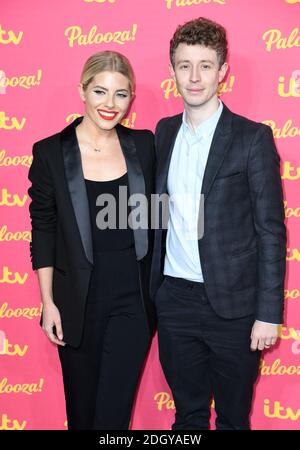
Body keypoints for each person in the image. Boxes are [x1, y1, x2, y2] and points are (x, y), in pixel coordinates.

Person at [150, 17, 286, 430]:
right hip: (174, 301)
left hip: (234, 308)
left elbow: (270, 232)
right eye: (184, 65)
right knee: (187, 417)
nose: (194, 77)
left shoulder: (252, 138)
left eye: (205, 65)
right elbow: (156, 213)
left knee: (231, 419)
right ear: (172, 69)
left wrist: (267, 313)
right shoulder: (164, 132)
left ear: (223, 71)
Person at [28, 51, 156, 430]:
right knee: (82, 417)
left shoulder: (144, 146)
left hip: (132, 300)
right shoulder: (50, 152)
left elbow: (158, 217)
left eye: (120, 94)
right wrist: (48, 302)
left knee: (113, 418)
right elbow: (43, 228)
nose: (109, 104)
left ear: (131, 98)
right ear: (82, 91)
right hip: (75, 303)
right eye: (100, 91)